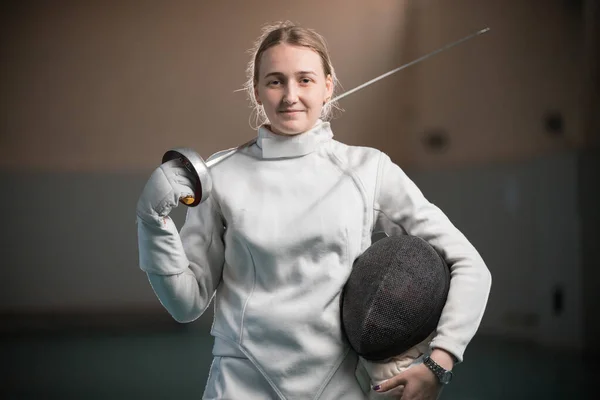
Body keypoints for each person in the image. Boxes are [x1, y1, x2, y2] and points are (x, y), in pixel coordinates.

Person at [136, 21, 492, 400]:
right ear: (256, 92)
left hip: (335, 390)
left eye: (304, 80)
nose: (290, 95)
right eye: (275, 81)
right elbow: (185, 303)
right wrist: (152, 222)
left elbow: (470, 265)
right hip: (238, 388)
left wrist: (441, 361)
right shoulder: (220, 176)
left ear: (328, 86)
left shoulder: (367, 170)